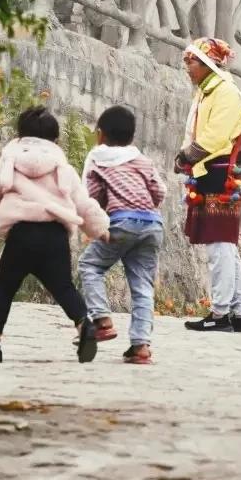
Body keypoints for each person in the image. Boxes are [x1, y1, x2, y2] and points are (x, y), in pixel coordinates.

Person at [0, 103, 110, 364]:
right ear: (55, 139)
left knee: (3, 287)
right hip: (54, 235)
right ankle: (83, 324)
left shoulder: (8, 162)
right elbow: (84, 203)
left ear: (19, 134)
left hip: (21, 235)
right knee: (64, 287)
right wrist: (101, 229)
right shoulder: (62, 169)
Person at [175, 37, 241, 334]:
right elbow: (197, 132)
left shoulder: (225, 92)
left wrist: (186, 155)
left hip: (222, 173)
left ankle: (220, 313)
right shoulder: (207, 92)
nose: (187, 67)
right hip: (211, 170)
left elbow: (216, 136)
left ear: (208, 63)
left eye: (192, 61)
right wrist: (186, 157)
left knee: (220, 244)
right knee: (225, 245)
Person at [78, 105, 167, 365]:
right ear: (131, 136)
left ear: (101, 135)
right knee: (142, 287)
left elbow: (91, 197)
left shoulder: (98, 158)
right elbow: (159, 193)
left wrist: (99, 222)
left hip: (122, 222)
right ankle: (140, 347)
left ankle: (102, 320)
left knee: (90, 265)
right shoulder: (142, 160)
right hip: (152, 224)